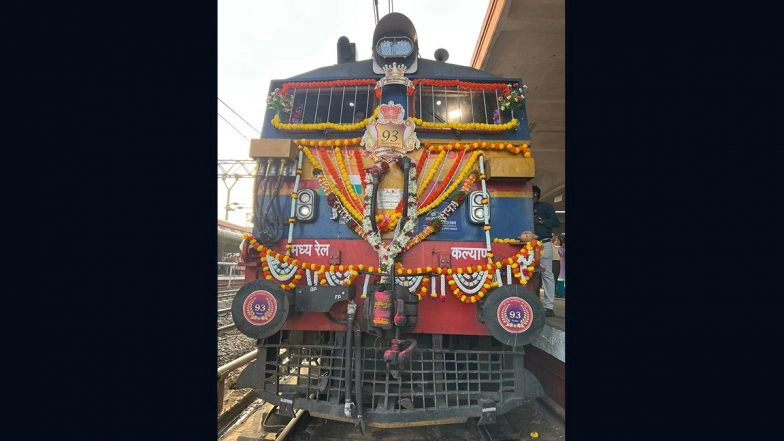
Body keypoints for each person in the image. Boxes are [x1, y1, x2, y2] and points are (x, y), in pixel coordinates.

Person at [531, 185, 560, 317]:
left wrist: (540, 221)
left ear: (535, 194)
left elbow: (555, 223)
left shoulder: (546, 207)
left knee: (547, 274)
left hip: (543, 244)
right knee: (525, 273)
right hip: (525, 245)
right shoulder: (523, 207)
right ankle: (530, 301)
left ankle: (549, 306)